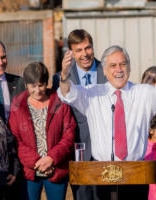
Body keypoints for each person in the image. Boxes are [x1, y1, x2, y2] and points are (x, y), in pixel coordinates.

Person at [58, 45, 156, 199]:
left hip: (135, 175)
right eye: (113, 66)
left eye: (123, 64)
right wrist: (65, 74)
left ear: (129, 67)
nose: (118, 70)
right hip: (102, 176)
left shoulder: (143, 93)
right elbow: (67, 93)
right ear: (105, 71)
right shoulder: (92, 93)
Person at [52, 29, 107, 200]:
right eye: (79, 50)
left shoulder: (107, 72)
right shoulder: (59, 78)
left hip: (105, 151)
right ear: (71, 52)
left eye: (88, 48)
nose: (85, 54)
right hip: (77, 151)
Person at [8, 62, 76, 200]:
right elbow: (16, 139)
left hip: (56, 168)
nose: (38, 90)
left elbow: (69, 134)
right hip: (29, 171)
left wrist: (51, 159)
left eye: (41, 85)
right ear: (26, 84)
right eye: (33, 86)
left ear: (47, 83)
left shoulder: (60, 103)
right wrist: (37, 162)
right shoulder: (17, 105)